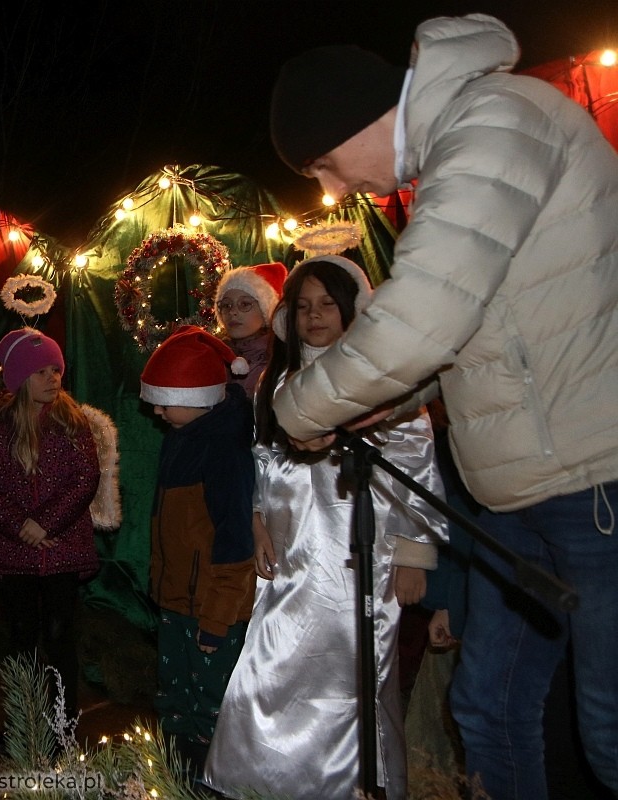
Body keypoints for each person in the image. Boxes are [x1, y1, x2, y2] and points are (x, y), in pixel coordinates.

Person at [266, 15, 618, 800]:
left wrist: (295, 411)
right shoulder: (462, 144)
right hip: (521, 490)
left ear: (360, 117)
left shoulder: (496, 123)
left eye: (325, 161)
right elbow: (488, 324)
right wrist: (394, 400)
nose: (330, 188)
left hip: (596, 477)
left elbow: (424, 315)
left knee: (609, 725)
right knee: (486, 706)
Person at [203, 255, 448, 800]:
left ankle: (351, 786)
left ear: (352, 308)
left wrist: (413, 551)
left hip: (359, 554)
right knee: (270, 667)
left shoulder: (384, 377)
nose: (315, 316)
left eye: (327, 304)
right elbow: (264, 456)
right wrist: (258, 518)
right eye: (304, 305)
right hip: (292, 554)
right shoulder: (280, 378)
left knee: (350, 678)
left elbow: (416, 463)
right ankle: (265, 782)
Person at [137, 325, 256, 778]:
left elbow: (235, 541)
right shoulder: (178, 440)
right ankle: (175, 778)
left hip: (211, 608)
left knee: (212, 703)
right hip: (176, 601)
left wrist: (218, 615)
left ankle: (213, 780)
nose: (157, 408)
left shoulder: (225, 451)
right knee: (173, 697)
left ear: (201, 395)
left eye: (165, 398)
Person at [0, 327, 99, 722]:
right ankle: (22, 727)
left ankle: (61, 728)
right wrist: (19, 524)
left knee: (60, 640)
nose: (52, 378)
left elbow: (85, 477)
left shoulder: (73, 424)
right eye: (41, 372)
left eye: (55, 370)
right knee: (21, 641)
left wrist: (45, 524)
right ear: (20, 378)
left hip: (62, 550)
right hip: (16, 553)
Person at [214, 261, 287, 399]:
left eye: (245, 304)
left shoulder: (278, 361)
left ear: (266, 310)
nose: (233, 312)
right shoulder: (217, 356)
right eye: (226, 305)